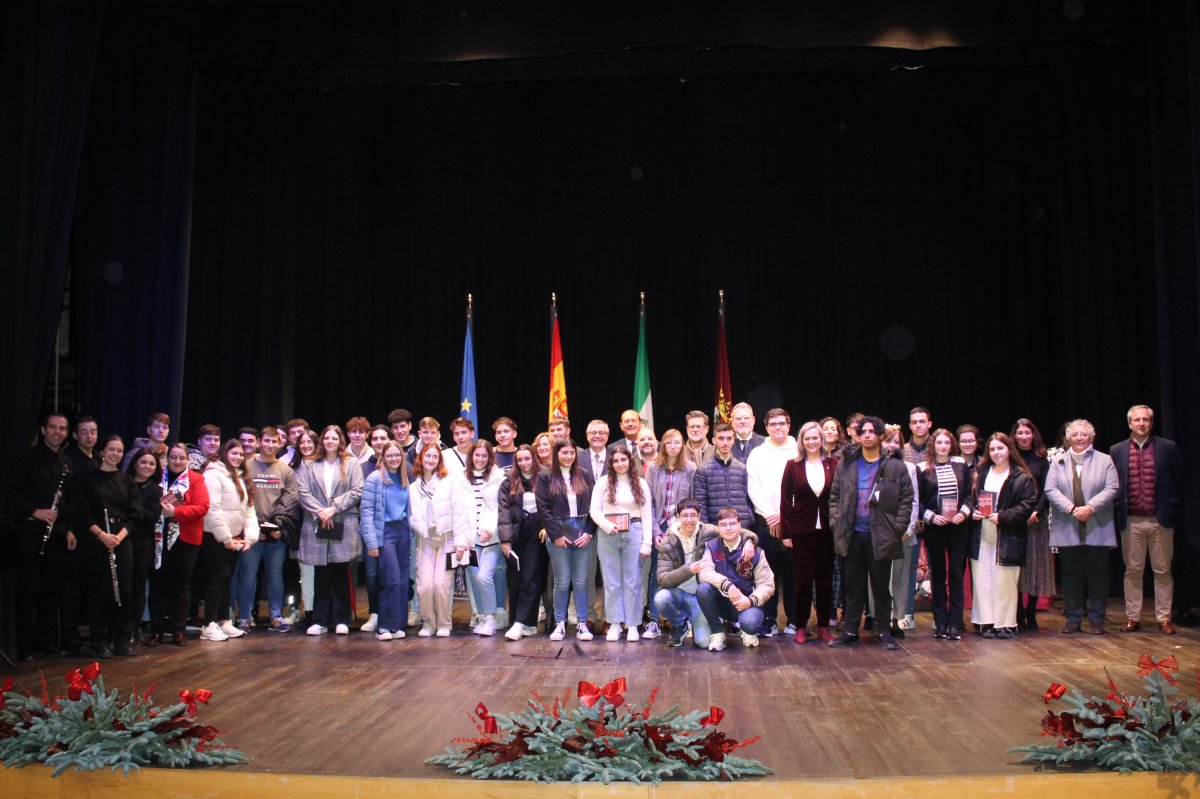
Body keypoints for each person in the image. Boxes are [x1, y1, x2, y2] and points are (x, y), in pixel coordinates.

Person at [828, 416, 913, 650]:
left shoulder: (895, 465)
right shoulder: (847, 463)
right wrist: (836, 522)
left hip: (882, 535)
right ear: (857, 434)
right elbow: (834, 496)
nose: (867, 435)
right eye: (863, 431)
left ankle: (884, 630)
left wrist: (898, 527)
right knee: (853, 587)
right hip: (852, 533)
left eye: (872, 431)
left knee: (880, 586)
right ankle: (850, 630)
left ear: (880, 436)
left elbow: (907, 499)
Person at [1110, 405, 1184, 635]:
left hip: (1160, 519)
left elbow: (1179, 478)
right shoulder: (1117, 450)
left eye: (1146, 420)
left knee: (1162, 570)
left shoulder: (1167, 447)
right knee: (1132, 570)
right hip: (1131, 520)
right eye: (1137, 420)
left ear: (1151, 423)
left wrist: (1170, 505)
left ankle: (1164, 618)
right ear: (1130, 423)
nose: (1141, 423)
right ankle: (1133, 617)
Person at [9, 412, 76, 660]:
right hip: (29, 531)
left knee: (51, 590)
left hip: (56, 535)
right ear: (43, 430)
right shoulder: (26, 458)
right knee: (27, 590)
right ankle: (24, 647)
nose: (57, 432)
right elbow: (12, 493)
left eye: (62, 429)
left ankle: (45, 641)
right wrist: (35, 511)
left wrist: (69, 529)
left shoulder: (66, 463)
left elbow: (68, 501)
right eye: (53, 427)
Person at [1045, 419, 1120, 635]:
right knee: (1070, 574)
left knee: (1098, 574)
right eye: (1075, 435)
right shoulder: (1058, 461)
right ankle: (1073, 618)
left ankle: (1097, 620)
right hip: (1067, 525)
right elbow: (1050, 490)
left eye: (1083, 434)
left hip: (1097, 525)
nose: (1079, 438)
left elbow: (1112, 488)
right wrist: (1070, 508)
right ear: (1068, 438)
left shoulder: (1105, 460)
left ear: (1091, 437)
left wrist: (1090, 508)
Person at [654, 498, 757, 648]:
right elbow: (662, 579)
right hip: (679, 593)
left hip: (701, 596)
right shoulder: (667, 543)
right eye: (684, 515)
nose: (689, 520)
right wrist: (689, 570)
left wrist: (749, 540)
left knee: (703, 643)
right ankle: (679, 624)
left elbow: (735, 530)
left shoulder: (709, 531)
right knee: (661, 598)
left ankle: (706, 626)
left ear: (699, 516)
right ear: (677, 516)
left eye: (693, 515)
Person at [77, 435, 142, 657]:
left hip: (121, 539)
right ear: (102, 451)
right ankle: (99, 641)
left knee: (123, 590)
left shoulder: (127, 481)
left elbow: (135, 516)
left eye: (119, 451)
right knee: (99, 589)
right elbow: (82, 514)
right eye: (111, 449)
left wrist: (118, 537)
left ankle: (123, 640)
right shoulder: (88, 480)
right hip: (97, 538)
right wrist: (103, 535)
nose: (115, 454)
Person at [969, 433, 1038, 640]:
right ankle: (986, 623)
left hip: (1008, 535)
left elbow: (1027, 506)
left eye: (1000, 448)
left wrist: (1003, 516)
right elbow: (970, 499)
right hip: (981, 533)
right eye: (992, 449)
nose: (996, 453)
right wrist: (973, 512)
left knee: (1006, 581)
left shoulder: (1022, 477)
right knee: (982, 579)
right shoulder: (980, 473)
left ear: (1009, 449)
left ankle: (1006, 624)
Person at [297, 425, 364, 636]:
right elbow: (303, 492)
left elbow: (357, 490)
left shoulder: (351, 463)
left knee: (341, 571)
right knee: (321, 573)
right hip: (318, 522)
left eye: (334, 438)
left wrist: (333, 508)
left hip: (342, 520)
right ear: (322, 441)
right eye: (326, 438)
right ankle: (320, 620)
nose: (330, 441)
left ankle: (342, 619)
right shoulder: (310, 464)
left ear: (340, 441)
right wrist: (321, 512)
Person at [779, 421, 837, 643]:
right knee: (803, 581)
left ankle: (823, 625)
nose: (812, 442)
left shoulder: (833, 463)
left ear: (822, 440)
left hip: (827, 532)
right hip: (801, 531)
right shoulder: (792, 466)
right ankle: (801, 625)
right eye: (807, 438)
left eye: (815, 438)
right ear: (801, 441)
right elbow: (785, 501)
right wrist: (786, 533)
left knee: (825, 580)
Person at [148, 443, 210, 646]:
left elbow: (202, 507)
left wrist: (175, 513)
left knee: (182, 587)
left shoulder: (196, 479)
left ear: (188, 460)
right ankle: (156, 630)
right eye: (173, 457)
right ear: (167, 459)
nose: (177, 461)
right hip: (158, 539)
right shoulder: (156, 478)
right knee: (158, 586)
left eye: (181, 458)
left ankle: (178, 630)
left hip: (185, 540)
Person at [591, 445, 655, 642]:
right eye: (615, 461)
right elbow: (594, 511)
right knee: (611, 582)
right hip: (608, 535)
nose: (620, 464)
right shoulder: (603, 482)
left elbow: (646, 514)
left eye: (623, 460)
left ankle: (633, 624)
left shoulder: (640, 483)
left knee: (633, 581)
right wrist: (606, 525)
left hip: (634, 533)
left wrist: (647, 542)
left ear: (629, 461)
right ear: (611, 463)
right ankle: (615, 624)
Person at [240, 426, 300, 633]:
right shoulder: (246, 466)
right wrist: (253, 527)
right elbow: (240, 496)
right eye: (266, 441)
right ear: (259, 442)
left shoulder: (285, 470)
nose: (270, 445)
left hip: (276, 534)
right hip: (251, 533)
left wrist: (279, 527)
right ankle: (245, 617)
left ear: (279, 443)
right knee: (248, 575)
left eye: (274, 441)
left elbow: (291, 501)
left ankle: (276, 615)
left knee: (275, 575)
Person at [535, 437, 596, 641]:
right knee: (561, 581)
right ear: (556, 453)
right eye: (564, 453)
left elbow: (594, 507)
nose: (568, 456)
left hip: (582, 531)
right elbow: (543, 509)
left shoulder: (585, 475)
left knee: (580, 581)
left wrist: (589, 532)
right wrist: (556, 535)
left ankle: (581, 623)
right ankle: (560, 623)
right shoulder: (545, 476)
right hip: (558, 531)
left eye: (571, 453)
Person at [745, 408, 798, 637]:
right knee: (768, 572)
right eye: (773, 424)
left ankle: (795, 619)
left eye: (782, 423)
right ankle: (769, 619)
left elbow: (804, 486)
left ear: (789, 425)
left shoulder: (799, 450)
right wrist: (770, 514)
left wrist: (785, 513)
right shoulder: (758, 453)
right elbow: (753, 487)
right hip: (766, 521)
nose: (778, 427)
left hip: (794, 520)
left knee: (793, 572)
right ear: (766, 428)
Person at [200, 439, 259, 642]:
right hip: (215, 536)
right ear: (224, 453)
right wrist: (225, 538)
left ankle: (224, 620)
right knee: (218, 576)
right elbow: (212, 509)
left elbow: (249, 508)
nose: (237, 457)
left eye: (241, 454)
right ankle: (208, 623)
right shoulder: (213, 475)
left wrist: (250, 537)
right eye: (234, 453)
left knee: (227, 578)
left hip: (233, 538)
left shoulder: (240, 476)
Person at [696, 508, 776, 650]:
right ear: (718, 527)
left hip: (747, 603)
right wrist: (728, 585)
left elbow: (767, 584)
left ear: (740, 525)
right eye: (724, 525)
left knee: (750, 623)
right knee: (703, 589)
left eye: (732, 524)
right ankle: (717, 633)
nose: (728, 528)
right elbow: (704, 572)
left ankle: (748, 632)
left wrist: (750, 600)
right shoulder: (712, 546)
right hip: (723, 601)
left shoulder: (756, 552)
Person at [918, 429, 971, 640]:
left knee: (956, 574)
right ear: (933, 445)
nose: (942, 446)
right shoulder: (923, 468)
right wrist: (930, 516)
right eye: (938, 442)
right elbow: (918, 501)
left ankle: (955, 623)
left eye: (946, 443)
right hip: (935, 527)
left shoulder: (960, 464)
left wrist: (964, 513)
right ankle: (940, 622)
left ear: (951, 445)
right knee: (938, 575)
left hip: (958, 526)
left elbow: (969, 494)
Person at [451, 439, 508, 636]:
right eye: (477, 455)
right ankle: (483, 616)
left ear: (490, 457)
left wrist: (490, 529)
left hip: (491, 538)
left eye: (484, 455)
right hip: (470, 540)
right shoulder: (460, 478)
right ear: (471, 456)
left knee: (485, 576)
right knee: (475, 579)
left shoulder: (498, 477)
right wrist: (461, 540)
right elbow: (458, 511)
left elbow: (500, 508)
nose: (480, 459)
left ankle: (491, 618)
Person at [360, 440, 412, 641]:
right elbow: (366, 512)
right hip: (385, 534)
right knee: (390, 579)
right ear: (383, 457)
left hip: (403, 533)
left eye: (397, 455)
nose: (394, 459)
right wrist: (371, 542)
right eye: (390, 455)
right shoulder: (374, 478)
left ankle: (397, 624)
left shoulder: (404, 477)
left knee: (401, 581)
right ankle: (384, 625)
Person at [499, 445, 547, 640]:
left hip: (537, 532)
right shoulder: (508, 482)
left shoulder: (544, 477)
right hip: (517, 533)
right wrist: (506, 539)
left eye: (527, 458)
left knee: (530, 577)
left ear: (533, 459)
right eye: (520, 460)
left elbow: (550, 505)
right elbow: (503, 513)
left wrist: (546, 527)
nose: (524, 463)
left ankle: (521, 623)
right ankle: (524, 623)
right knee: (516, 579)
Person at [410, 442, 455, 636]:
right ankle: (428, 623)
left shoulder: (449, 482)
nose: (431, 460)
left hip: (447, 538)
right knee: (425, 585)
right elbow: (410, 514)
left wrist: (462, 542)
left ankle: (444, 624)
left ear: (439, 460)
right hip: (425, 539)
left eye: (435, 457)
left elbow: (459, 512)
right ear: (421, 458)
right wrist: (415, 523)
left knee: (441, 585)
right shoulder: (413, 487)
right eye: (427, 456)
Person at [1012, 418, 1053, 632]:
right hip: (1015, 519)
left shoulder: (1041, 458)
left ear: (1033, 435)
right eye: (1020, 433)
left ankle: (1031, 612)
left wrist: (1036, 513)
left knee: (1035, 567)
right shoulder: (1011, 458)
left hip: (1036, 519)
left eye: (1027, 433)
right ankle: (1018, 611)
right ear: (1014, 436)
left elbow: (1047, 490)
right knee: (1017, 567)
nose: (1024, 437)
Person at [881, 425, 921, 638]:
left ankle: (897, 618)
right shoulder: (874, 465)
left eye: (896, 442)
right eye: (888, 440)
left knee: (900, 577)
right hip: (879, 531)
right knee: (879, 578)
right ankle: (882, 619)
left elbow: (913, 500)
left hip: (903, 531)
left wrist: (909, 527)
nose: (891, 445)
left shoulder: (910, 468)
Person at [356, 423, 393, 633]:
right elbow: (363, 503)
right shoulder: (363, 468)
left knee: (392, 574)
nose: (379, 442)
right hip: (371, 529)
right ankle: (375, 612)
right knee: (372, 574)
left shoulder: (399, 464)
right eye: (375, 439)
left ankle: (392, 612)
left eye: (382, 438)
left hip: (394, 531)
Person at [125, 448, 163, 645]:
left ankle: (133, 625)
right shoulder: (123, 482)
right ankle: (118, 625)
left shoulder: (157, 490)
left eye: (151, 463)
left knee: (138, 586)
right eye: (143, 462)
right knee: (122, 586)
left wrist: (133, 509)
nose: (147, 467)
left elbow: (153, 516)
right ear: (135, 463)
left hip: (143, 542)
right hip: (122, 539)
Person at [693, 423, 754, 529]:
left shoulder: (742, 468)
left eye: (729, 438)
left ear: (733, 440)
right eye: (721, 438)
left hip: (741, 528)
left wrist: (749, 520)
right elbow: (700, 503)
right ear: (713, 440)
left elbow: (749, 500)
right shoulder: (703, 470)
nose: (725, 443)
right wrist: (708, 529)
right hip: (715, 529)